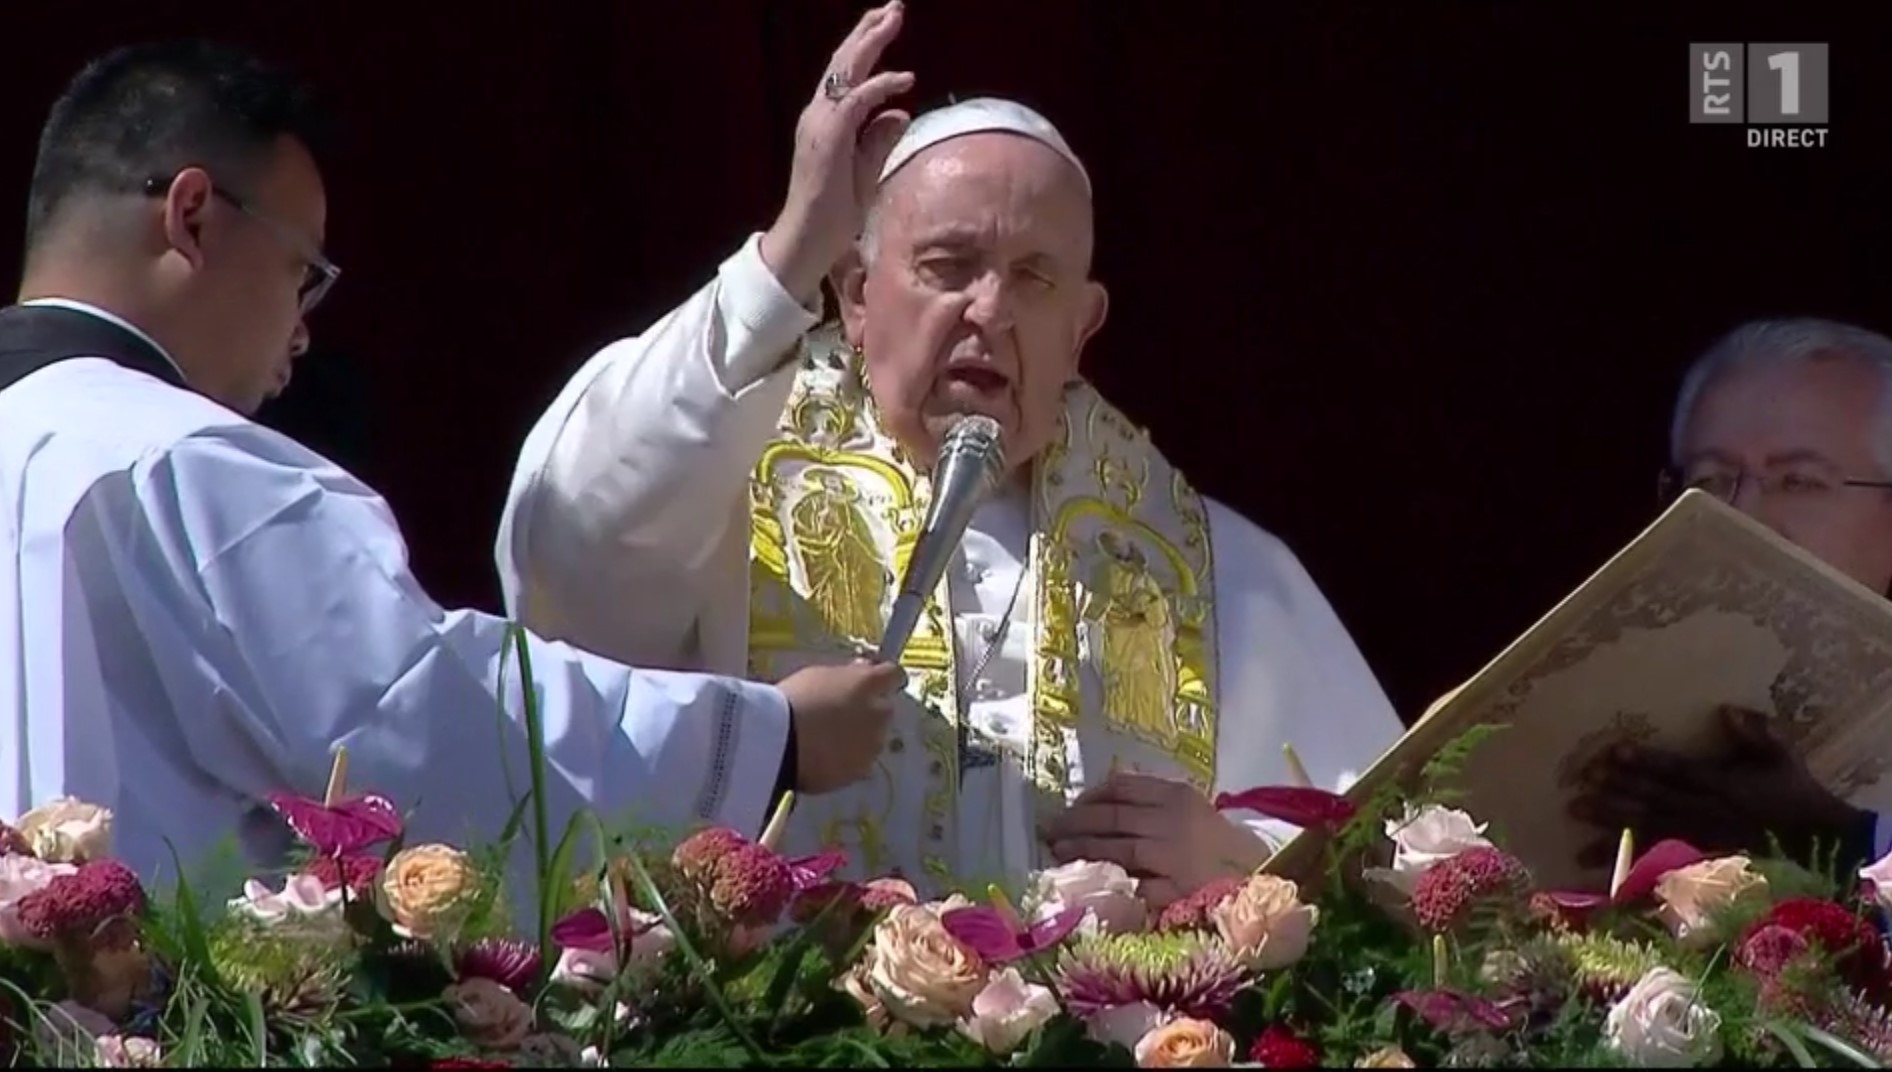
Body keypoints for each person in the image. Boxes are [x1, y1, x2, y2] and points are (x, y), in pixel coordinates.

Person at [495, 2, 1404, 907]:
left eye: (1033, 279)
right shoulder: (714, 487)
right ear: (854, 293)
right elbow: (568, 549)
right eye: (947, 265)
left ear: (1082, 330)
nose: (989, 310)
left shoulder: (1223, 574)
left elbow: (1405, 861)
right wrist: (784, 258)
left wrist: (1251, 865)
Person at [0, 40, 904, 890]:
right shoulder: (188, 467)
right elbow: (421, 725)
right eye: (300, 271)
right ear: (193, 216)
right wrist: (765, 741)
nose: (303, 328)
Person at [1571, 316, 1892, 873]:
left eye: (1799, 481)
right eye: (1712, 481)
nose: (1742, 516)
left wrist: (1838, 842)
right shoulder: (1582, 717)